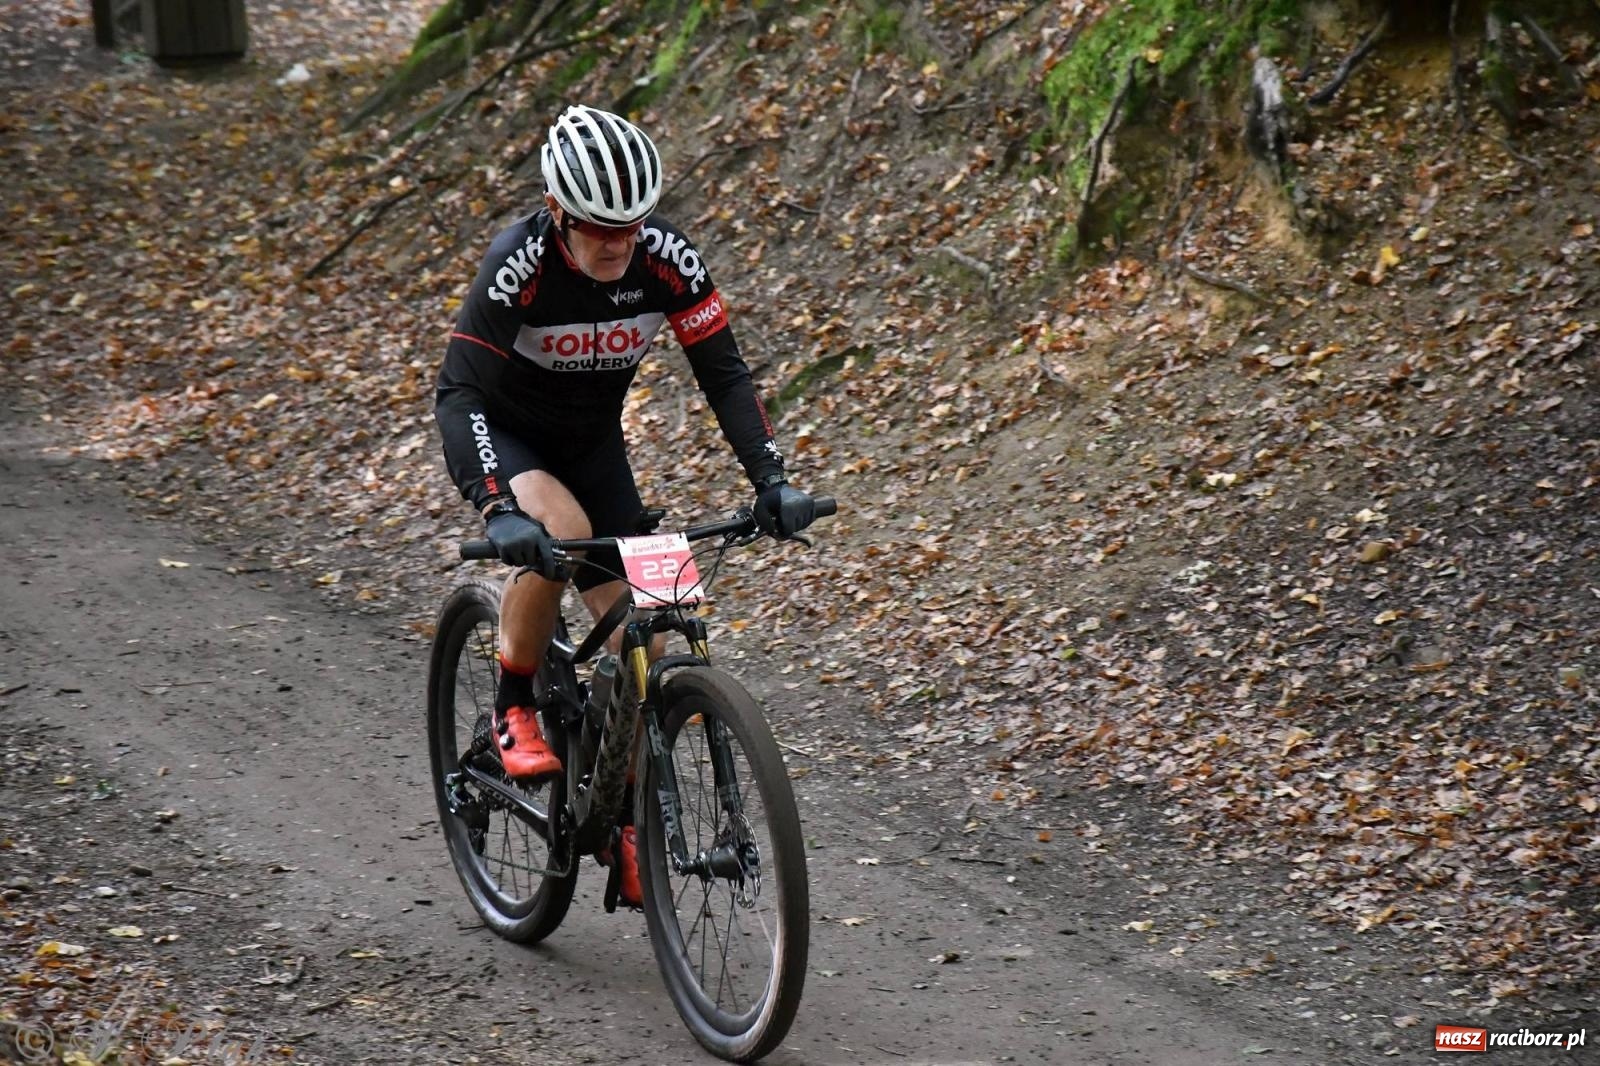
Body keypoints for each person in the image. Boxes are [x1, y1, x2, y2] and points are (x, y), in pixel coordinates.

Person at [434, 105, 817, 904]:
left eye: (632, 227)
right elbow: (460, 390)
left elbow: (725, 374)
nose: (619, 245)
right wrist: (496, 503)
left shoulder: (665, 258)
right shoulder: (521, 264)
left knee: (658, 622)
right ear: (558, 215)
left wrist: (770, 479)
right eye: (600, 229)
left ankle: (632, 820)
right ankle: (512, 702)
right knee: (563, 534)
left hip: (594, 445)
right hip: (509, 439)